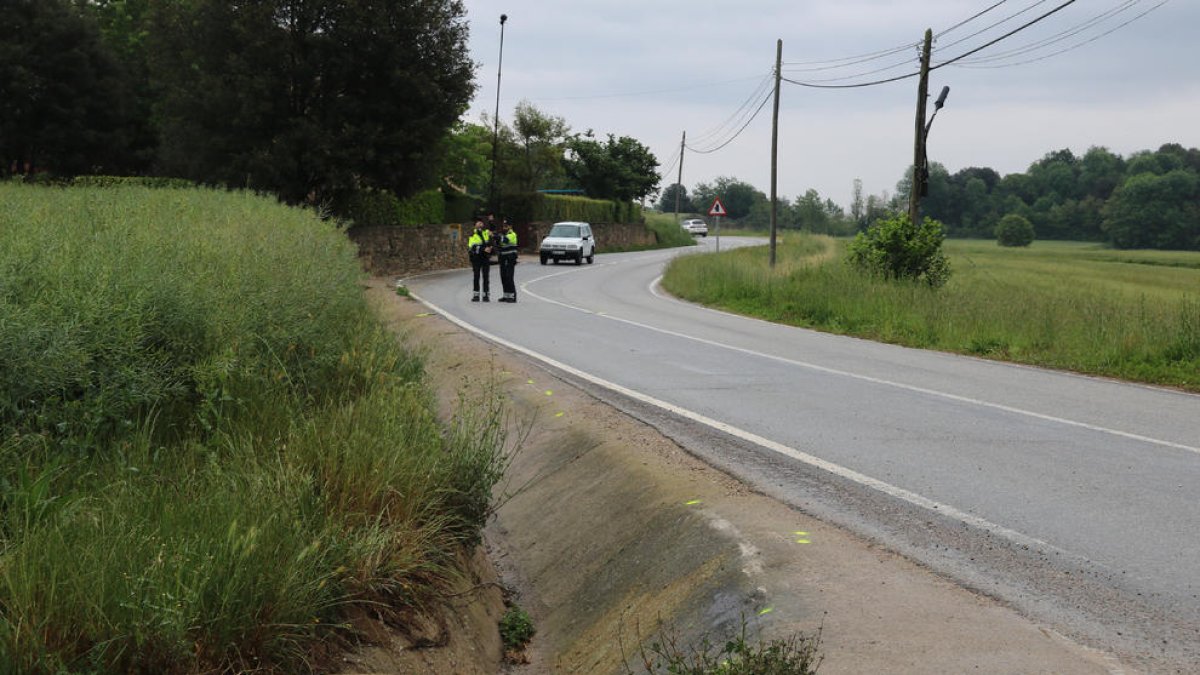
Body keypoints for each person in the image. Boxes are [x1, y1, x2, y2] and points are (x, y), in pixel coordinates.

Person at [467, 219, 492, 302]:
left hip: (485, 258)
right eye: (478, 222)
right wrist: (483, 249)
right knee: (476, 276)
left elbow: (491, 242)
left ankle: (486, 295)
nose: (480, 223)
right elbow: (472, 247)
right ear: (475, 225)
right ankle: (476, 296)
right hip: (476, 258)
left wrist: (490, 247)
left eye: (481, 222)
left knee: (486, 276)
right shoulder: (472, 234)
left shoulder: (486, 232)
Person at [496, 219, 519, 303]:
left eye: (506, 226)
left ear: (510, 227)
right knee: (503, 277)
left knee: (509, 277)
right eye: (503, 226)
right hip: (503, 258)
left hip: (510, 258)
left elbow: (505, 240)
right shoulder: (502, 234)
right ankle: (506, 295)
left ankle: (512, 296)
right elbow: (498, 244)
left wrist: (497, 237)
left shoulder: (512, 234)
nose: (504, 228)